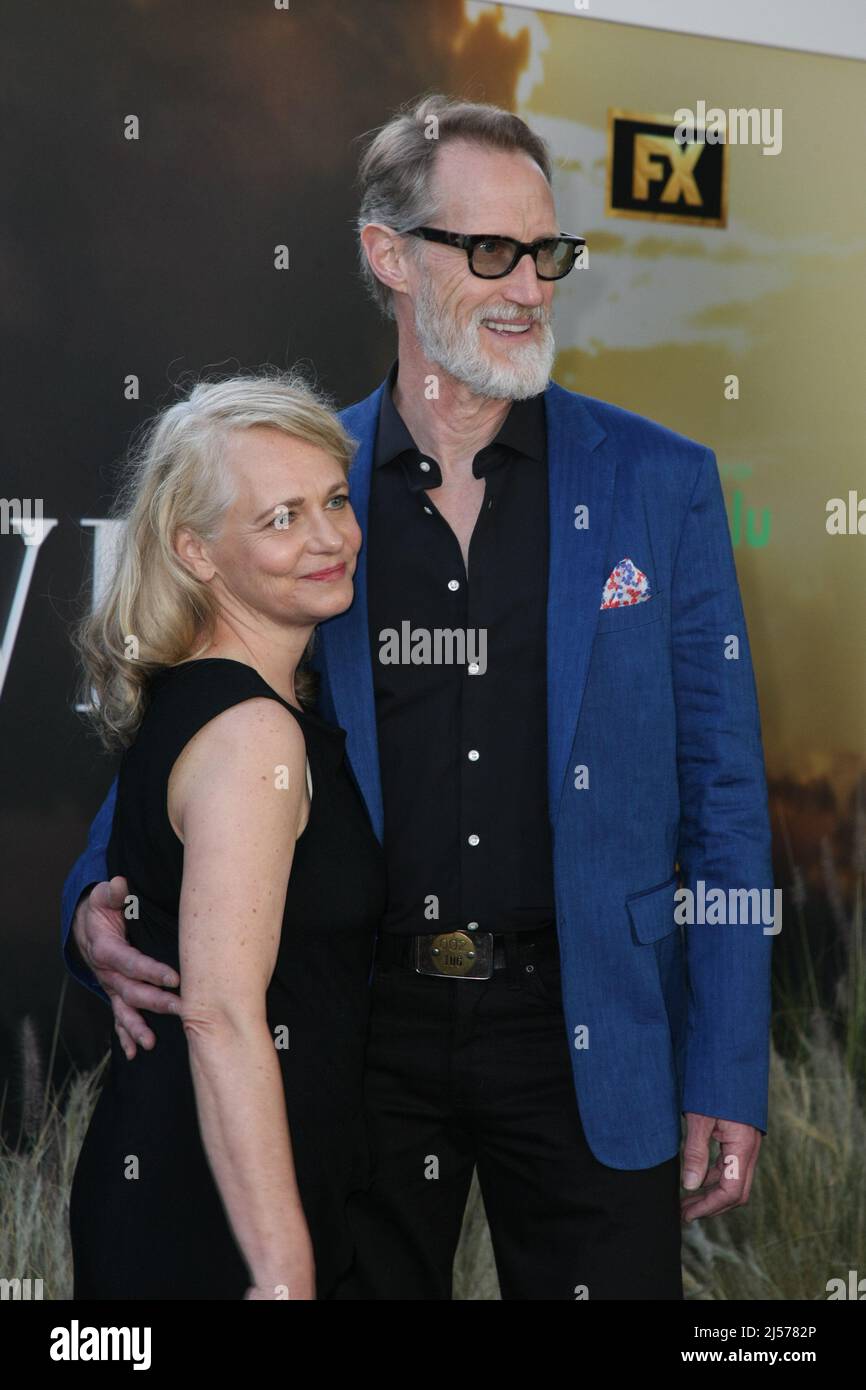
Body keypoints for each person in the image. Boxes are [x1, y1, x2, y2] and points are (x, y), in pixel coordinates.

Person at [62, 95, 774, 1301]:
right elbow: (204, 700)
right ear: (386, 256)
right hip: (364, 1044)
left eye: (545, 252)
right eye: (487, 251)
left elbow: (723, 792)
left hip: (591, 1028)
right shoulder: (304, 494)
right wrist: (96, 894)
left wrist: (725, 1064)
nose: (528, 286)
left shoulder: (662, 484)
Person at [66, 372, 386, 1300]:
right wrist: (283, 1273)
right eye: (282, 518)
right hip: (212, 1221)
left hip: (218, 1187)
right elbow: (220, 1012)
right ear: (196, 551)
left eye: (333, 500)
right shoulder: (254, 734)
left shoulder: (220, 702)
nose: (329, 536)